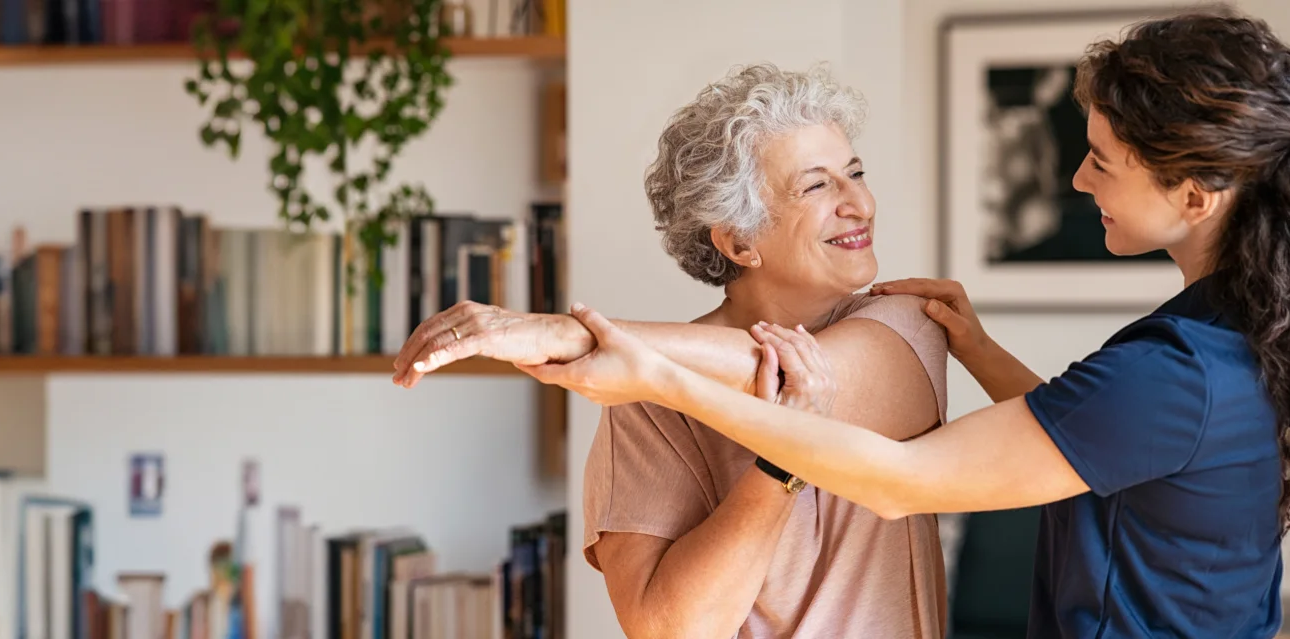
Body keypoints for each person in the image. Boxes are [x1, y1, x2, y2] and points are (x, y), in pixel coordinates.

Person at [511, 13, 1290, 637]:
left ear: (1193, 193)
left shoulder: (1152, 364)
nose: (1076, 180)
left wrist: (642, 366)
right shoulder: (1220, 332)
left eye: (1100, 159)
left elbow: (900, 478)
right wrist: (982, 350)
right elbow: (1092, 447)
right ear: (735, 239)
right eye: (816, 183)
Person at [392, 64, 951, 638]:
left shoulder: (907, 322)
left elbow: (807, 374)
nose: (858, 202)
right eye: (817, 185)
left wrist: (572, 333)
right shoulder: (644, 398)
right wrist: (778, 467)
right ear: (739, 241)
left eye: (854, 172)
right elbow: (671, 631)